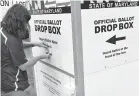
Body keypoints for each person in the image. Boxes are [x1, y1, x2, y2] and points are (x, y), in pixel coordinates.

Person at [1, 4, 51, 96]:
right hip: (15, 86)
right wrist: (40, 57)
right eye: (25, 22)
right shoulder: (12, 40)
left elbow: (14, 47)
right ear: (18, 21)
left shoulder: (3, 30)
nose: (27, 25)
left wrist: (34, 44)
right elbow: (23, 66)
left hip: (6, 82)